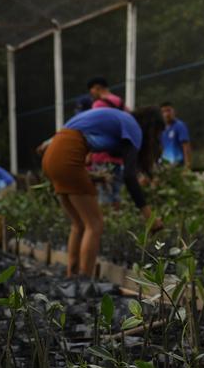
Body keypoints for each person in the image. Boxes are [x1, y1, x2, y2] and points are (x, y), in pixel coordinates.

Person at [37, 106, 162, 278]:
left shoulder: (115, 118)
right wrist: (149, 215)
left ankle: (72, 276)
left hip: (52, 155)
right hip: (68, 152)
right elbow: (129, 177)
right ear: (152, 128)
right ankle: (85, 280)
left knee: (79, 224)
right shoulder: (132, 127)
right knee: (94, 224)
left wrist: (94, 177)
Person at [85, 78, 125, 206]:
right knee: (116, 193)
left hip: (101, 156)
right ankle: (119, 222)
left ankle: (108, 224)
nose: (92, 94)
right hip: (117, 156)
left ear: (97, 88)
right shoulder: (120, 103)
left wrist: (89, 153)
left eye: (92, 91)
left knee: (103, 194)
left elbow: (94, 129)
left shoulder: (98, 104)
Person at [159, 102, 192, 167]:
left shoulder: (180, 126)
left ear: (174, 111)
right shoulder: (161, 129)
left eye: (168, 110)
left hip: (178, 163)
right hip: (165, 164)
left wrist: (187, 165)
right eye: (164, 112)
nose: (166, 114)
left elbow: (186, 146)